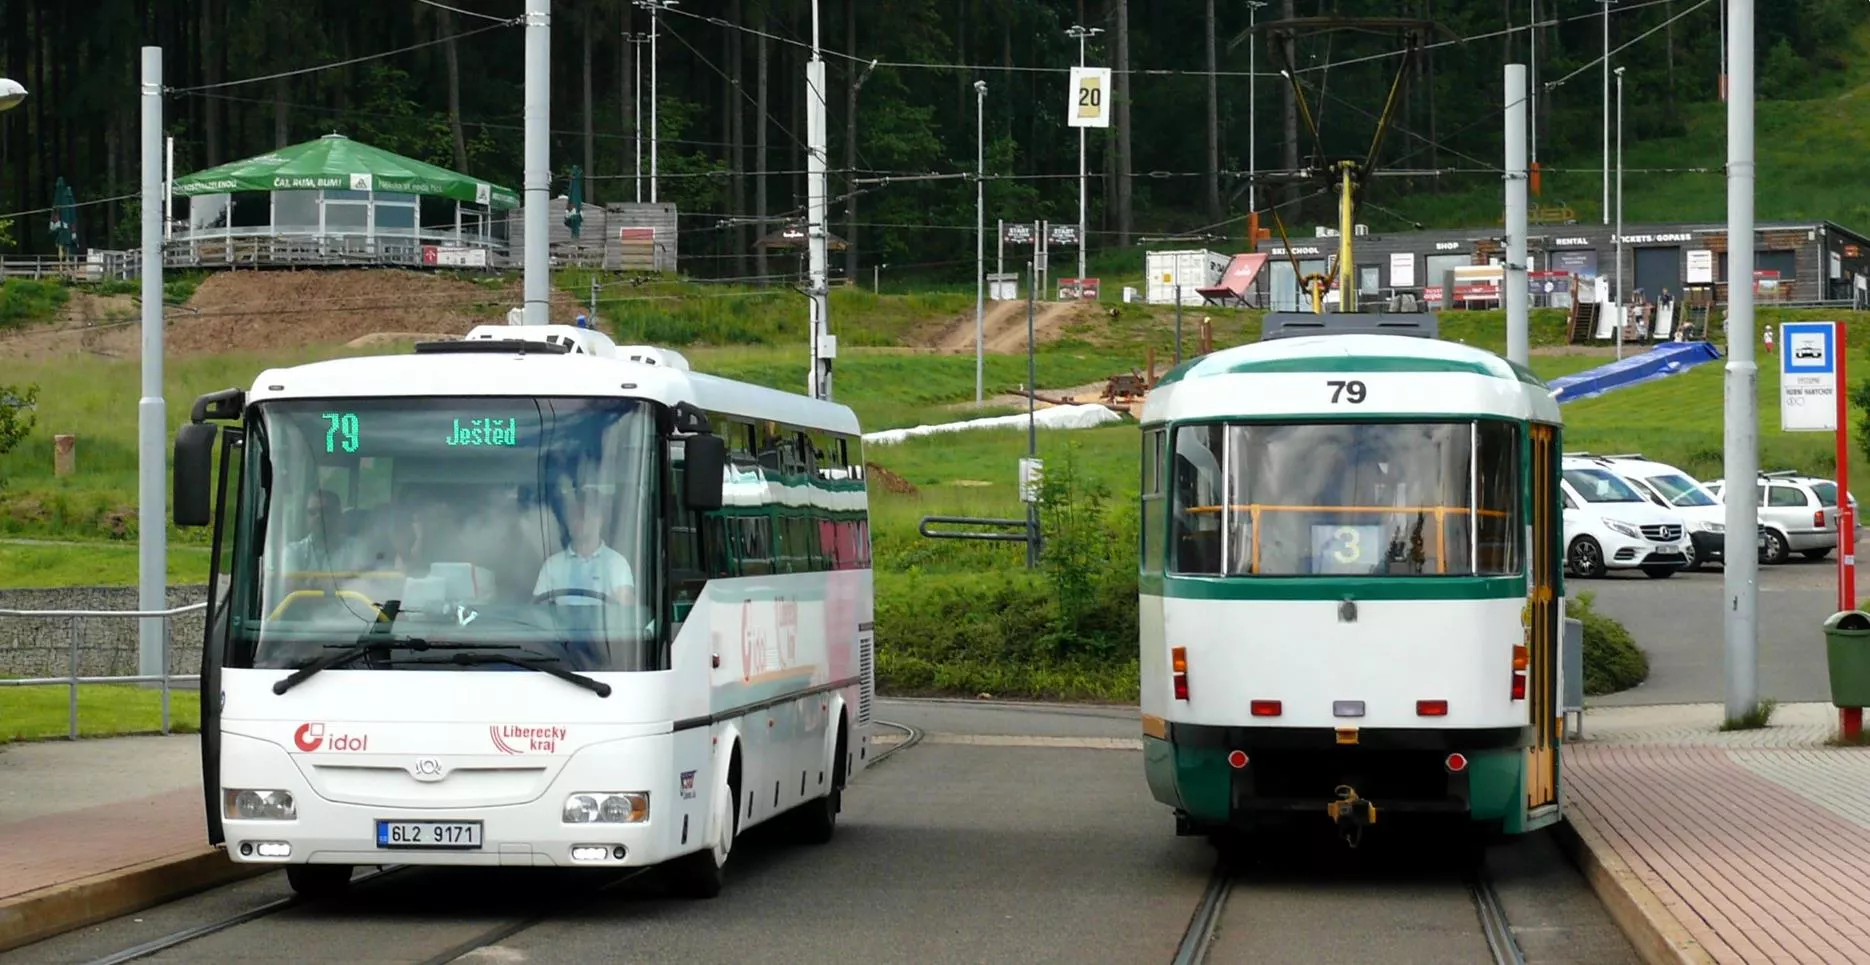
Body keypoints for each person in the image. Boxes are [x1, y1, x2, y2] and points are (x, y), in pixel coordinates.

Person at [532, 488, 635, 606]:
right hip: (561, 624)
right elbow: (538, 610)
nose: (577, 521)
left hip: (604, 624)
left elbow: (626, 607)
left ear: (599, 520)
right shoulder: (552, 565)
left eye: (583, 515)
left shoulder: (616, 563)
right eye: (573, 515)